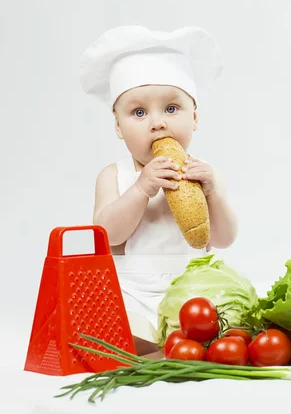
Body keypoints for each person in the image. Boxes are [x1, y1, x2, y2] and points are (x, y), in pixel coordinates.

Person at [79, 26, 238, 357]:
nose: (157, 123)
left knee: (231, 316)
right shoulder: (115, 176)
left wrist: (214, 194)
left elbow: (223, 239)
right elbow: (106, 236)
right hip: (134, 292)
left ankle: (185, 343)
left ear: (194, 117)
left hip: (194, 291)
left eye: (171, 109)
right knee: (119, 324)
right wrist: (141, 188)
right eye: (139, 112)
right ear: (118, 126)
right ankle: (158, 347)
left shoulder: (204, 173)